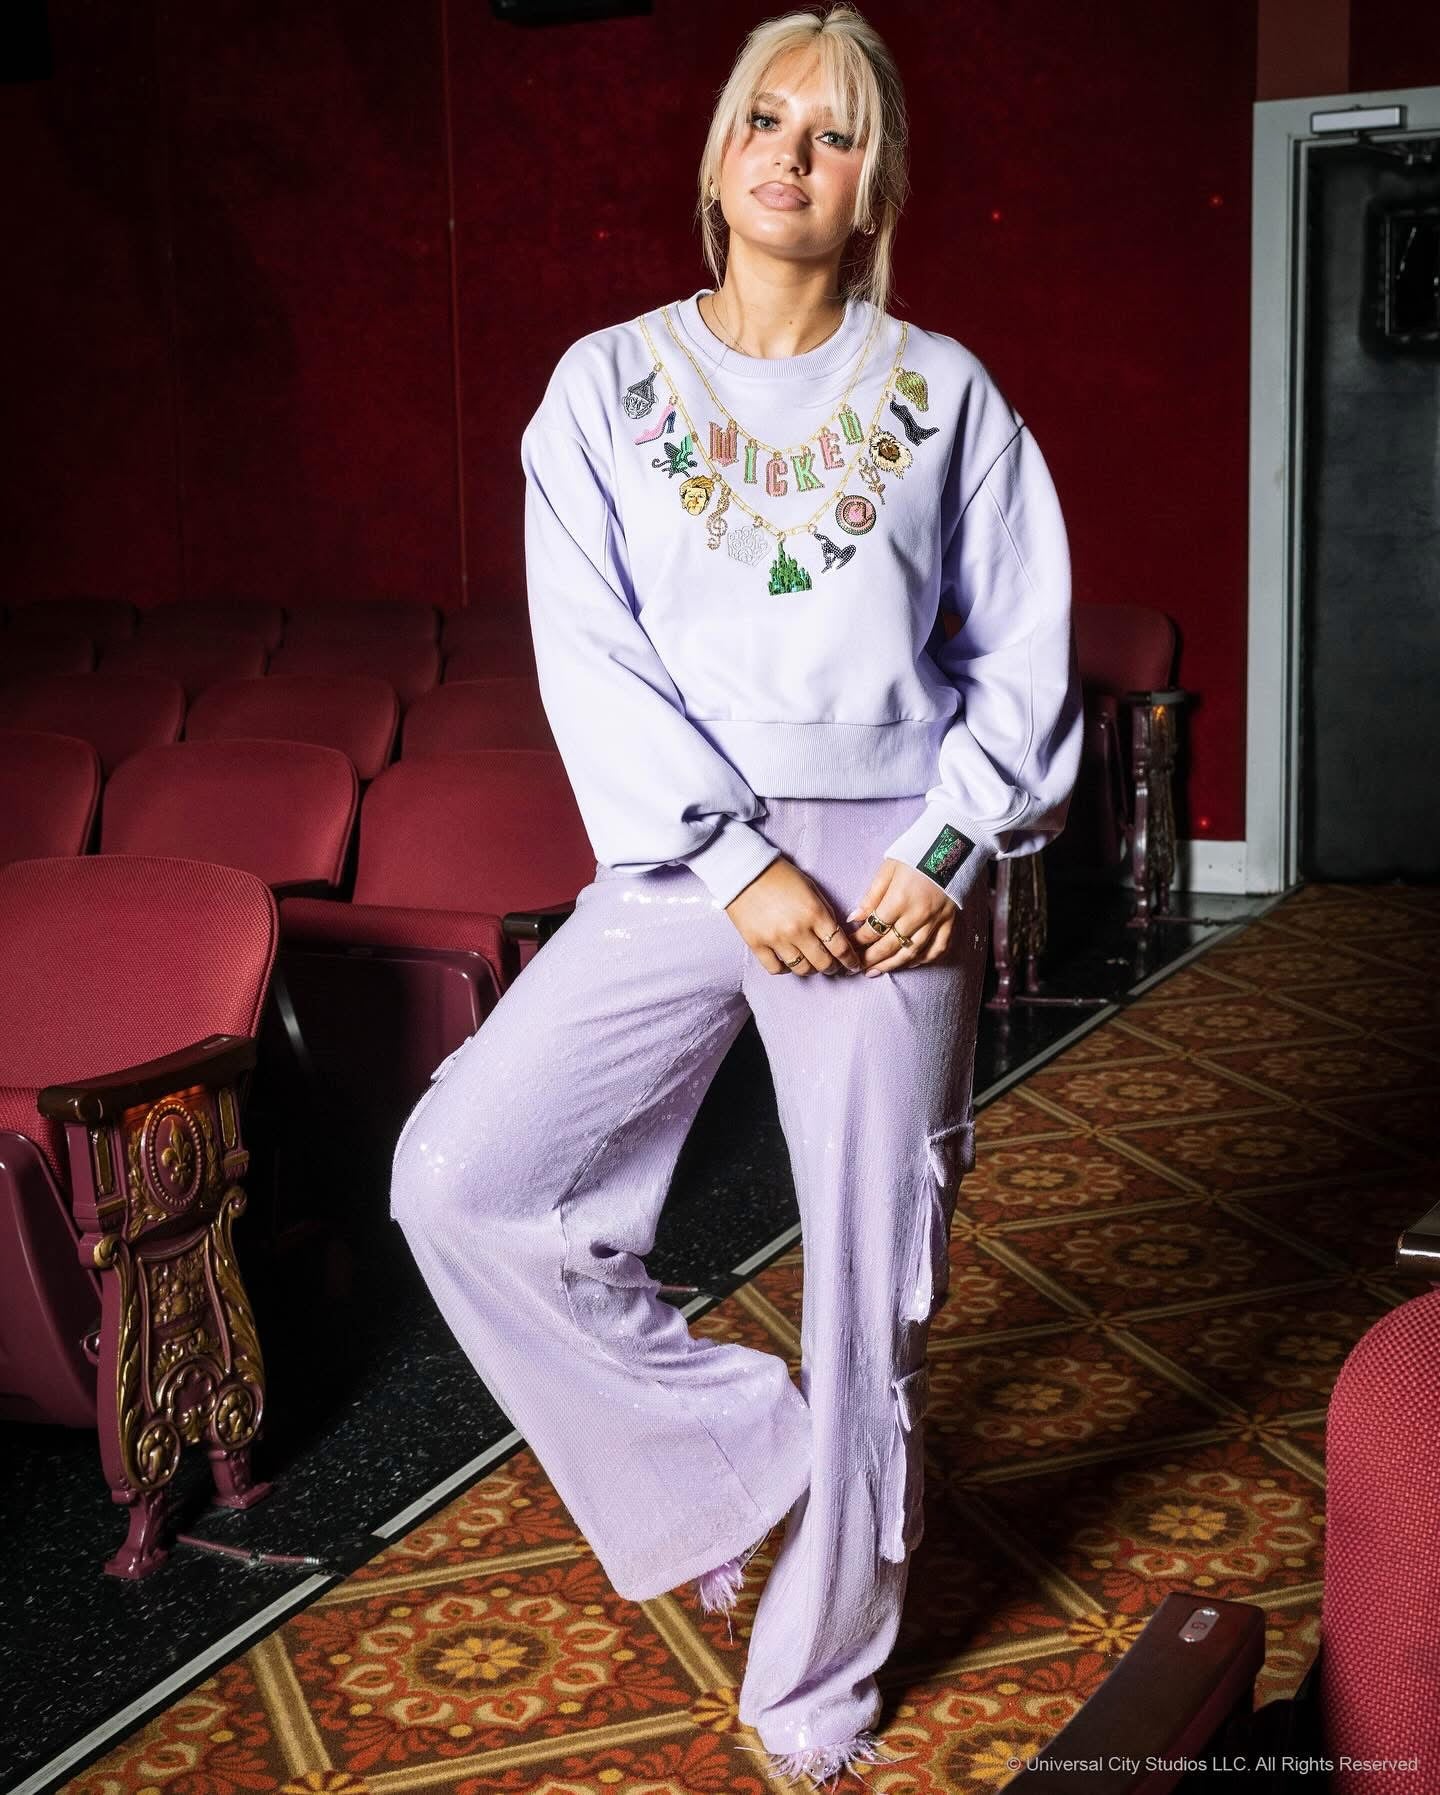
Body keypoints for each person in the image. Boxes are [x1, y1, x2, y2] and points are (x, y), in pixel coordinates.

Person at [389, 2, 1082, 1786]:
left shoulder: (944, 392)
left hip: (899, 868)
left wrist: (946, 853)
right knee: (458, 1177)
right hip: (692, 855)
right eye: (766, 119)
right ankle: (755, 1450)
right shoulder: (603, 387)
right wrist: (737, 861)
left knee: (870, 1295)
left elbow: (1022, 653)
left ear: (875, 187)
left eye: (835, 133)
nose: (793, 154)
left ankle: (819, 1680)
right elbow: (591, 655)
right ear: (717, 155)